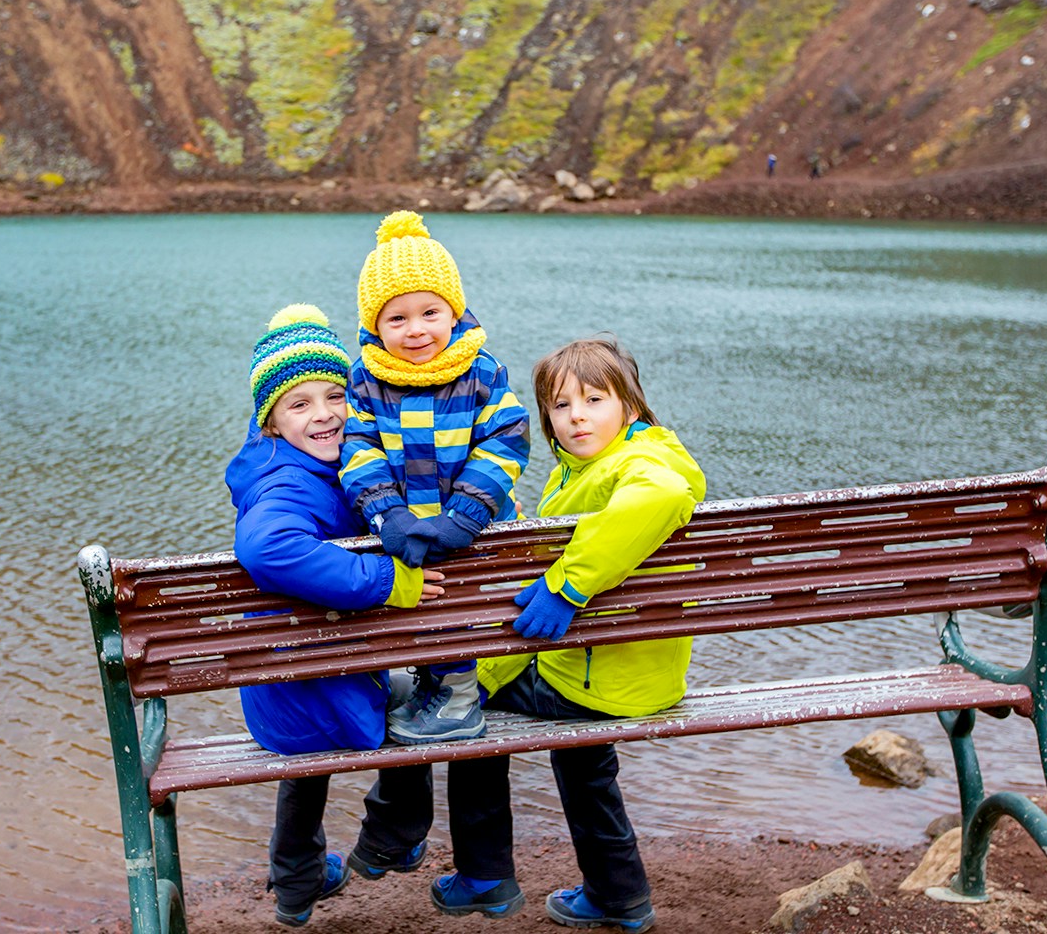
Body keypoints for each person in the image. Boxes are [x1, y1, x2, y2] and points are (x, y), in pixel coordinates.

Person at [433, 336, 707, 930]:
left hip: (594, 676)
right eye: (560, 406)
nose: (576, 416)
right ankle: (620, 898)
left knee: (466, 708)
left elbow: (661, 496)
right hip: (637, 672)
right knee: (582, 761)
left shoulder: (641, 467)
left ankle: (484, 875)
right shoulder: (605, 464)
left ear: (630, 406)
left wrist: (567, 588)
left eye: (593, 399)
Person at [226, 303, 441, 927]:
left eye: (335, 396)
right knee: (424, 693)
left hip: (285, 698)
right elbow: (267, 546)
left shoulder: (289, 465)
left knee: (315, 738)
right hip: (324, 690)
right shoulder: (288, 484)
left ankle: (295, 883)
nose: (323, 415)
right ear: (270, 419)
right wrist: (386, 581)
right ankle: (390, 838)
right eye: (299, 405)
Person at [340, 210, 531, 744]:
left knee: (460, 610)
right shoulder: (366, 379)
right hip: (404, 529)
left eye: (430, 312)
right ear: (374, 325)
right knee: (425, 610)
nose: (416, 330)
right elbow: (359, 448)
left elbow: (507, 441)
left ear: (455, 311)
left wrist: (465, 516)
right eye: (396, 319)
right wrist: (387, 514)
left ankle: (458, 701)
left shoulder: (481, 371)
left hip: (471, 529)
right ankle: (433, 685)